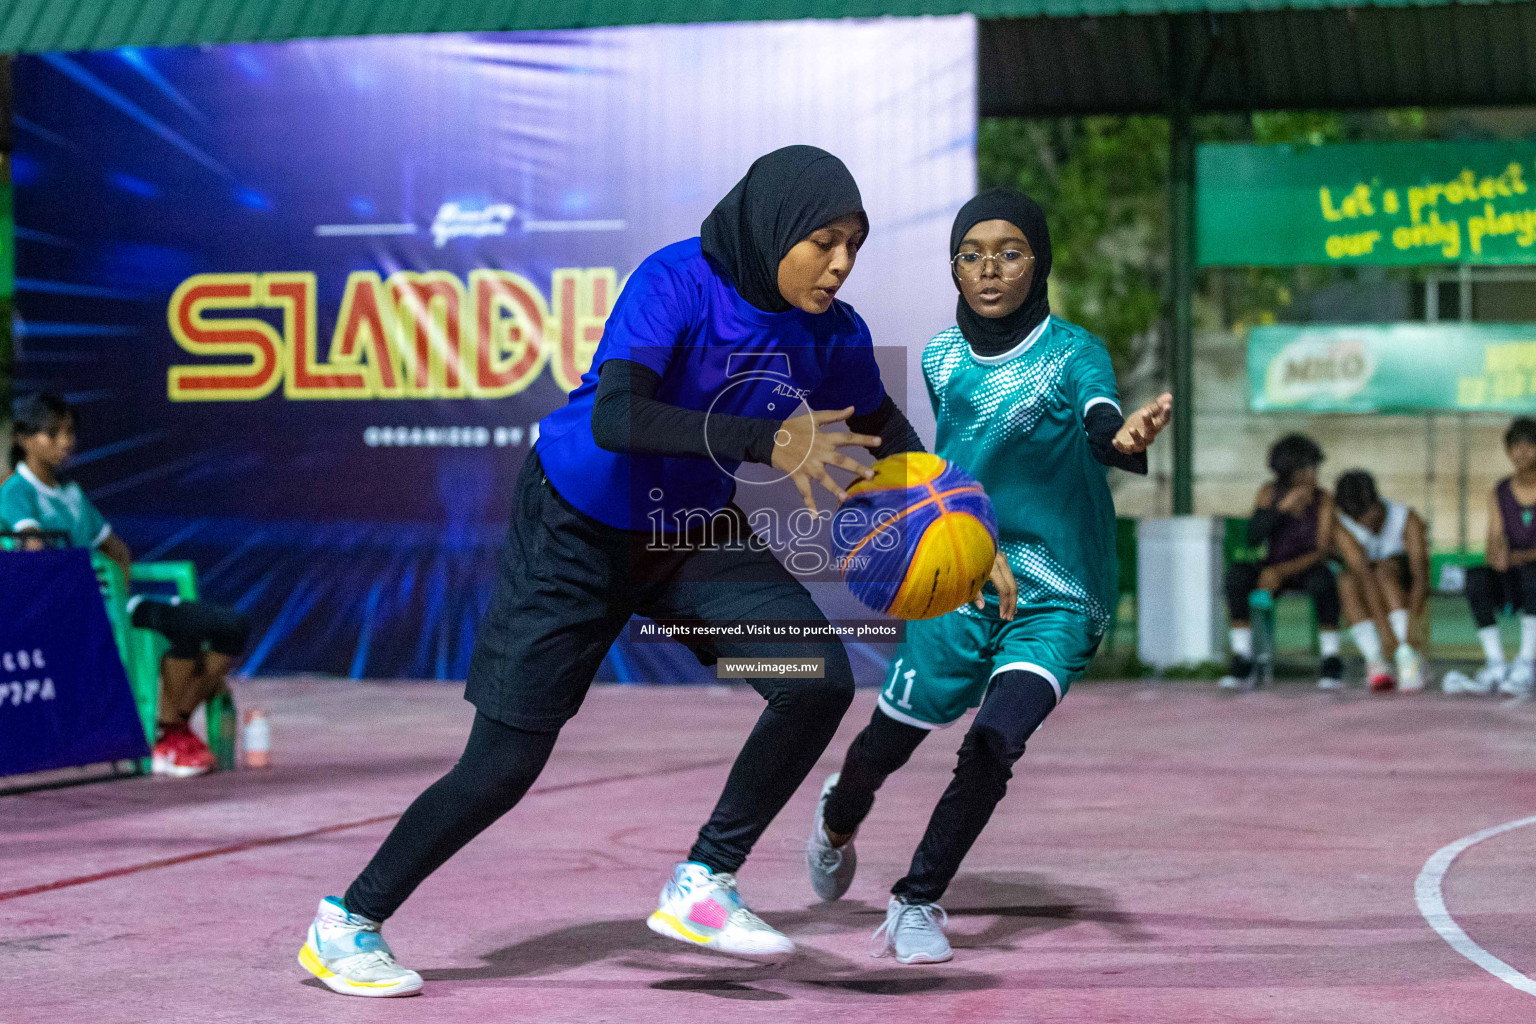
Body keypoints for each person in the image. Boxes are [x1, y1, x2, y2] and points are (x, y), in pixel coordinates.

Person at [298, 146, 928, 997]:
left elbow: (885, 431)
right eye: (824, 241)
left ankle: (704, 882)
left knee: (811, 677)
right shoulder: (678, 280)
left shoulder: (830, 332)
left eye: (856, 244)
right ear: (776, 228)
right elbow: (618, 415)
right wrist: (763, 439)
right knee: (502, 768)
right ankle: (347, 922)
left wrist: (955, 527)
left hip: (688, 533)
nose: (841, 263)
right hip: (577, 528)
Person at [803, 188, 1171, 965]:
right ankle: (839, 814)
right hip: (965, 578)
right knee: (889, 742)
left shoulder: (1076, 354)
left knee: (994, 742)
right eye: (971, 255)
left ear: (1037, 262)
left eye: (1009, 252)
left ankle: (916, 901)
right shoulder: (942, 358)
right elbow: (947, 465)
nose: (989, 269)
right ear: (955, 269)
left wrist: (1123, 437)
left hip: (1061, 594)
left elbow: (1100, 419)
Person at [1, 392, 252, 777]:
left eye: (69, 432)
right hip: (67, 619)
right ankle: (167, 739)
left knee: (230, 627)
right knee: (180, 632)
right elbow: (38, 552)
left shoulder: (71, 494)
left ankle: (173, 727)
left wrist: (116, 590)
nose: (65, 442)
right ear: (24, 439)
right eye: (52, 433)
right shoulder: (14, 492)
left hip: (113, 606)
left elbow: (117, 550)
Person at [1219, 435, 1347, 691]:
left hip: (1305, 566)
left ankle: (1331, 660)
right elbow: (1253, 538)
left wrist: (1280, 571)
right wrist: (1283, 509)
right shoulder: (1269, 493)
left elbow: (1321, 550)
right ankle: (1242, 658)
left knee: (1325, 582)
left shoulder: (1324, 500)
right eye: (1309, 468)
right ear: (1292, 472)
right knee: (1237, 577)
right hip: (1272, 564)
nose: (1314, 473)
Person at [1334, 469, 1429, 692]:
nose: (1363, 523)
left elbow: (1420, 579)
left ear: (1377, 502)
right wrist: (1386, 634)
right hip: (1368, 588)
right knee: (1346, 581)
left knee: (1385, 571)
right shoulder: (1345, 524)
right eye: (1356, 519)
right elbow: (1363, 575)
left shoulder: (1406, 519)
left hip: (1399, 586)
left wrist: (1407, 637)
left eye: (1365, 514)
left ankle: (1408, 655)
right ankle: (1375, 659)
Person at [1461, 417, 1536, 697]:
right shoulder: (1500, 491)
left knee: (1532, 573)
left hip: (1532, 575)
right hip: (1515, 574)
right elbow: (1493, 539)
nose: (1522, 452)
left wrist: (1521, 557)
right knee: (1476, 578)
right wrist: (1497, 555)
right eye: (1515, 446)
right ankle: (1496, 661)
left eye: (1530, 445)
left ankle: (1527, 661)